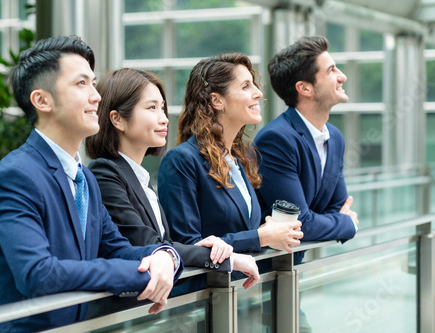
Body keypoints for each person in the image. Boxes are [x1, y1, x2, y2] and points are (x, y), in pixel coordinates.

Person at [0, 36, 182, 333]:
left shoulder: (84, 177)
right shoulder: (16, 175)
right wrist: (142, 275)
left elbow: (116, 248)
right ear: (42, 100)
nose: (96, 96)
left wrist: (164, 256)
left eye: (94, 83)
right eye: (81, 84)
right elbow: (38, 273)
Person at [85, 68, 259, 290]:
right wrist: (228, 258)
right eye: (152, 108)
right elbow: (150, 246)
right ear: (117, 119)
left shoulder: (138, 178)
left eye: (163, 108)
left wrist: (205, 247)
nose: (164, 118)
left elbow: (164, 246)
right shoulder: (105, 173)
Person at [157, 53, 303, 257]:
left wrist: (267, 230)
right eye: (245, 86)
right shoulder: (181, 160)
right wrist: (261, 237)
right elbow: (186, 246)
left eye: (254, 85)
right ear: (217, 100)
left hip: (240, 286)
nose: (258, 93)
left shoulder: (238, 159)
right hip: (206, 289)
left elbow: (236, 231)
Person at [254, 36, 359, 265]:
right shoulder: (277, 139)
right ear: (304, 88)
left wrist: (325, 220)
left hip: (294, 269)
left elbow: (336, 205)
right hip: (262, 275)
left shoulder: (335, 137)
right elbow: (300, 223)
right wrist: (346, 224)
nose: (342, 76)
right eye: (331, 71)